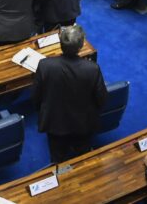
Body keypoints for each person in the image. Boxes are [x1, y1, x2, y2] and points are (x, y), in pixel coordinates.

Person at [32, 24, 108, 163]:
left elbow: (36, 97)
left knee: (58, 160)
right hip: (83, 125)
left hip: (55, 124)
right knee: (82, 159)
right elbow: (101, 99)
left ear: (61, 44)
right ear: (81, 46)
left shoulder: (45, 65)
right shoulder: (92, 69)